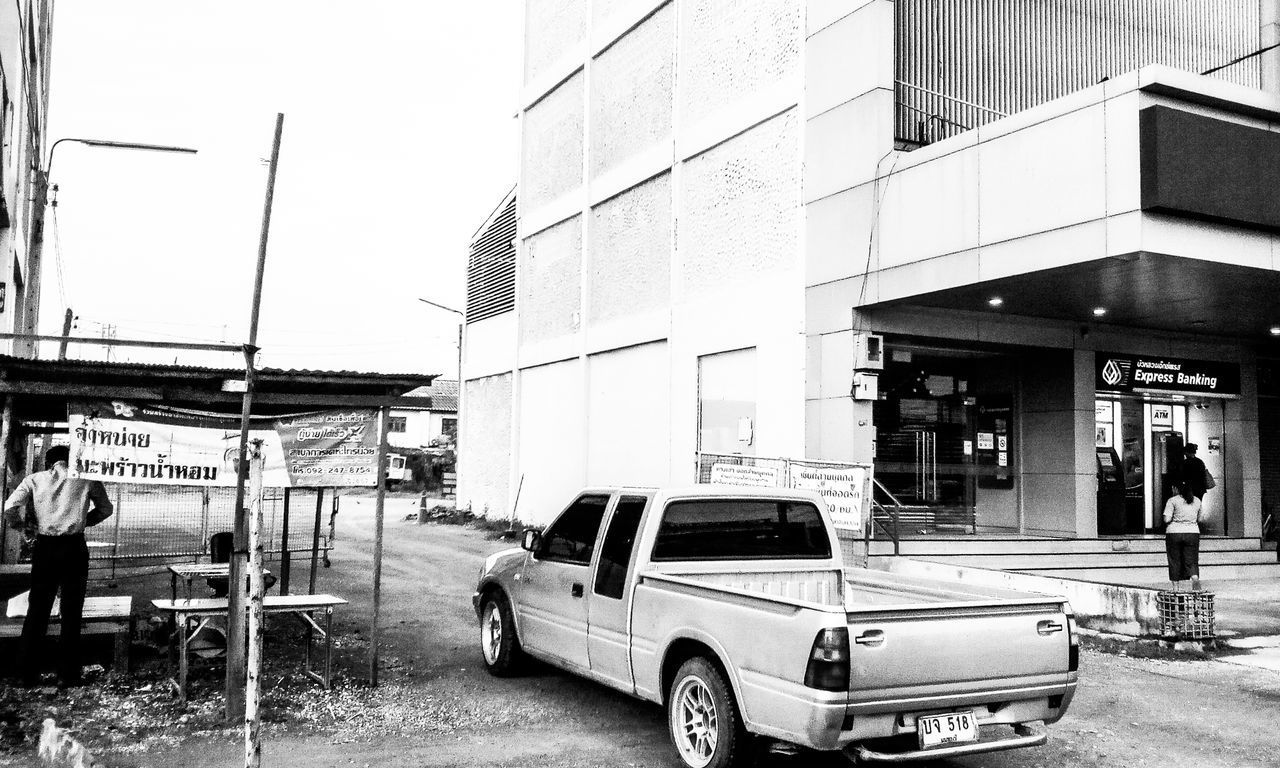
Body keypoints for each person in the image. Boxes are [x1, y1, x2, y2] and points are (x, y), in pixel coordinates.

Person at [2, 445, 113, 687]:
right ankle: (68, 675)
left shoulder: (34, 479)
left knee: (38, 610)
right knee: (72, 611)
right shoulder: (87, 479)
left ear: (49, 462)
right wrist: (85, 520)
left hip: (45, 548)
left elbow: (9, 507)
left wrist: (23, 527)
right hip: (74, 547)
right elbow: (106, 509)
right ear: (71, 459)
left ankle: (25, 674)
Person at [1162, 482, 1203, 592]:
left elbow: (1167, 519)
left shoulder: (1172, 500)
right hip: (1192, 533)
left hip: (1174, 533)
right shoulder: (1197, 500)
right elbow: (1200, 519)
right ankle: (1195, 578)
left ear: (1176, 489)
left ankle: (1176, 589)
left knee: (1174, 560)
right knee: (1192, 560)